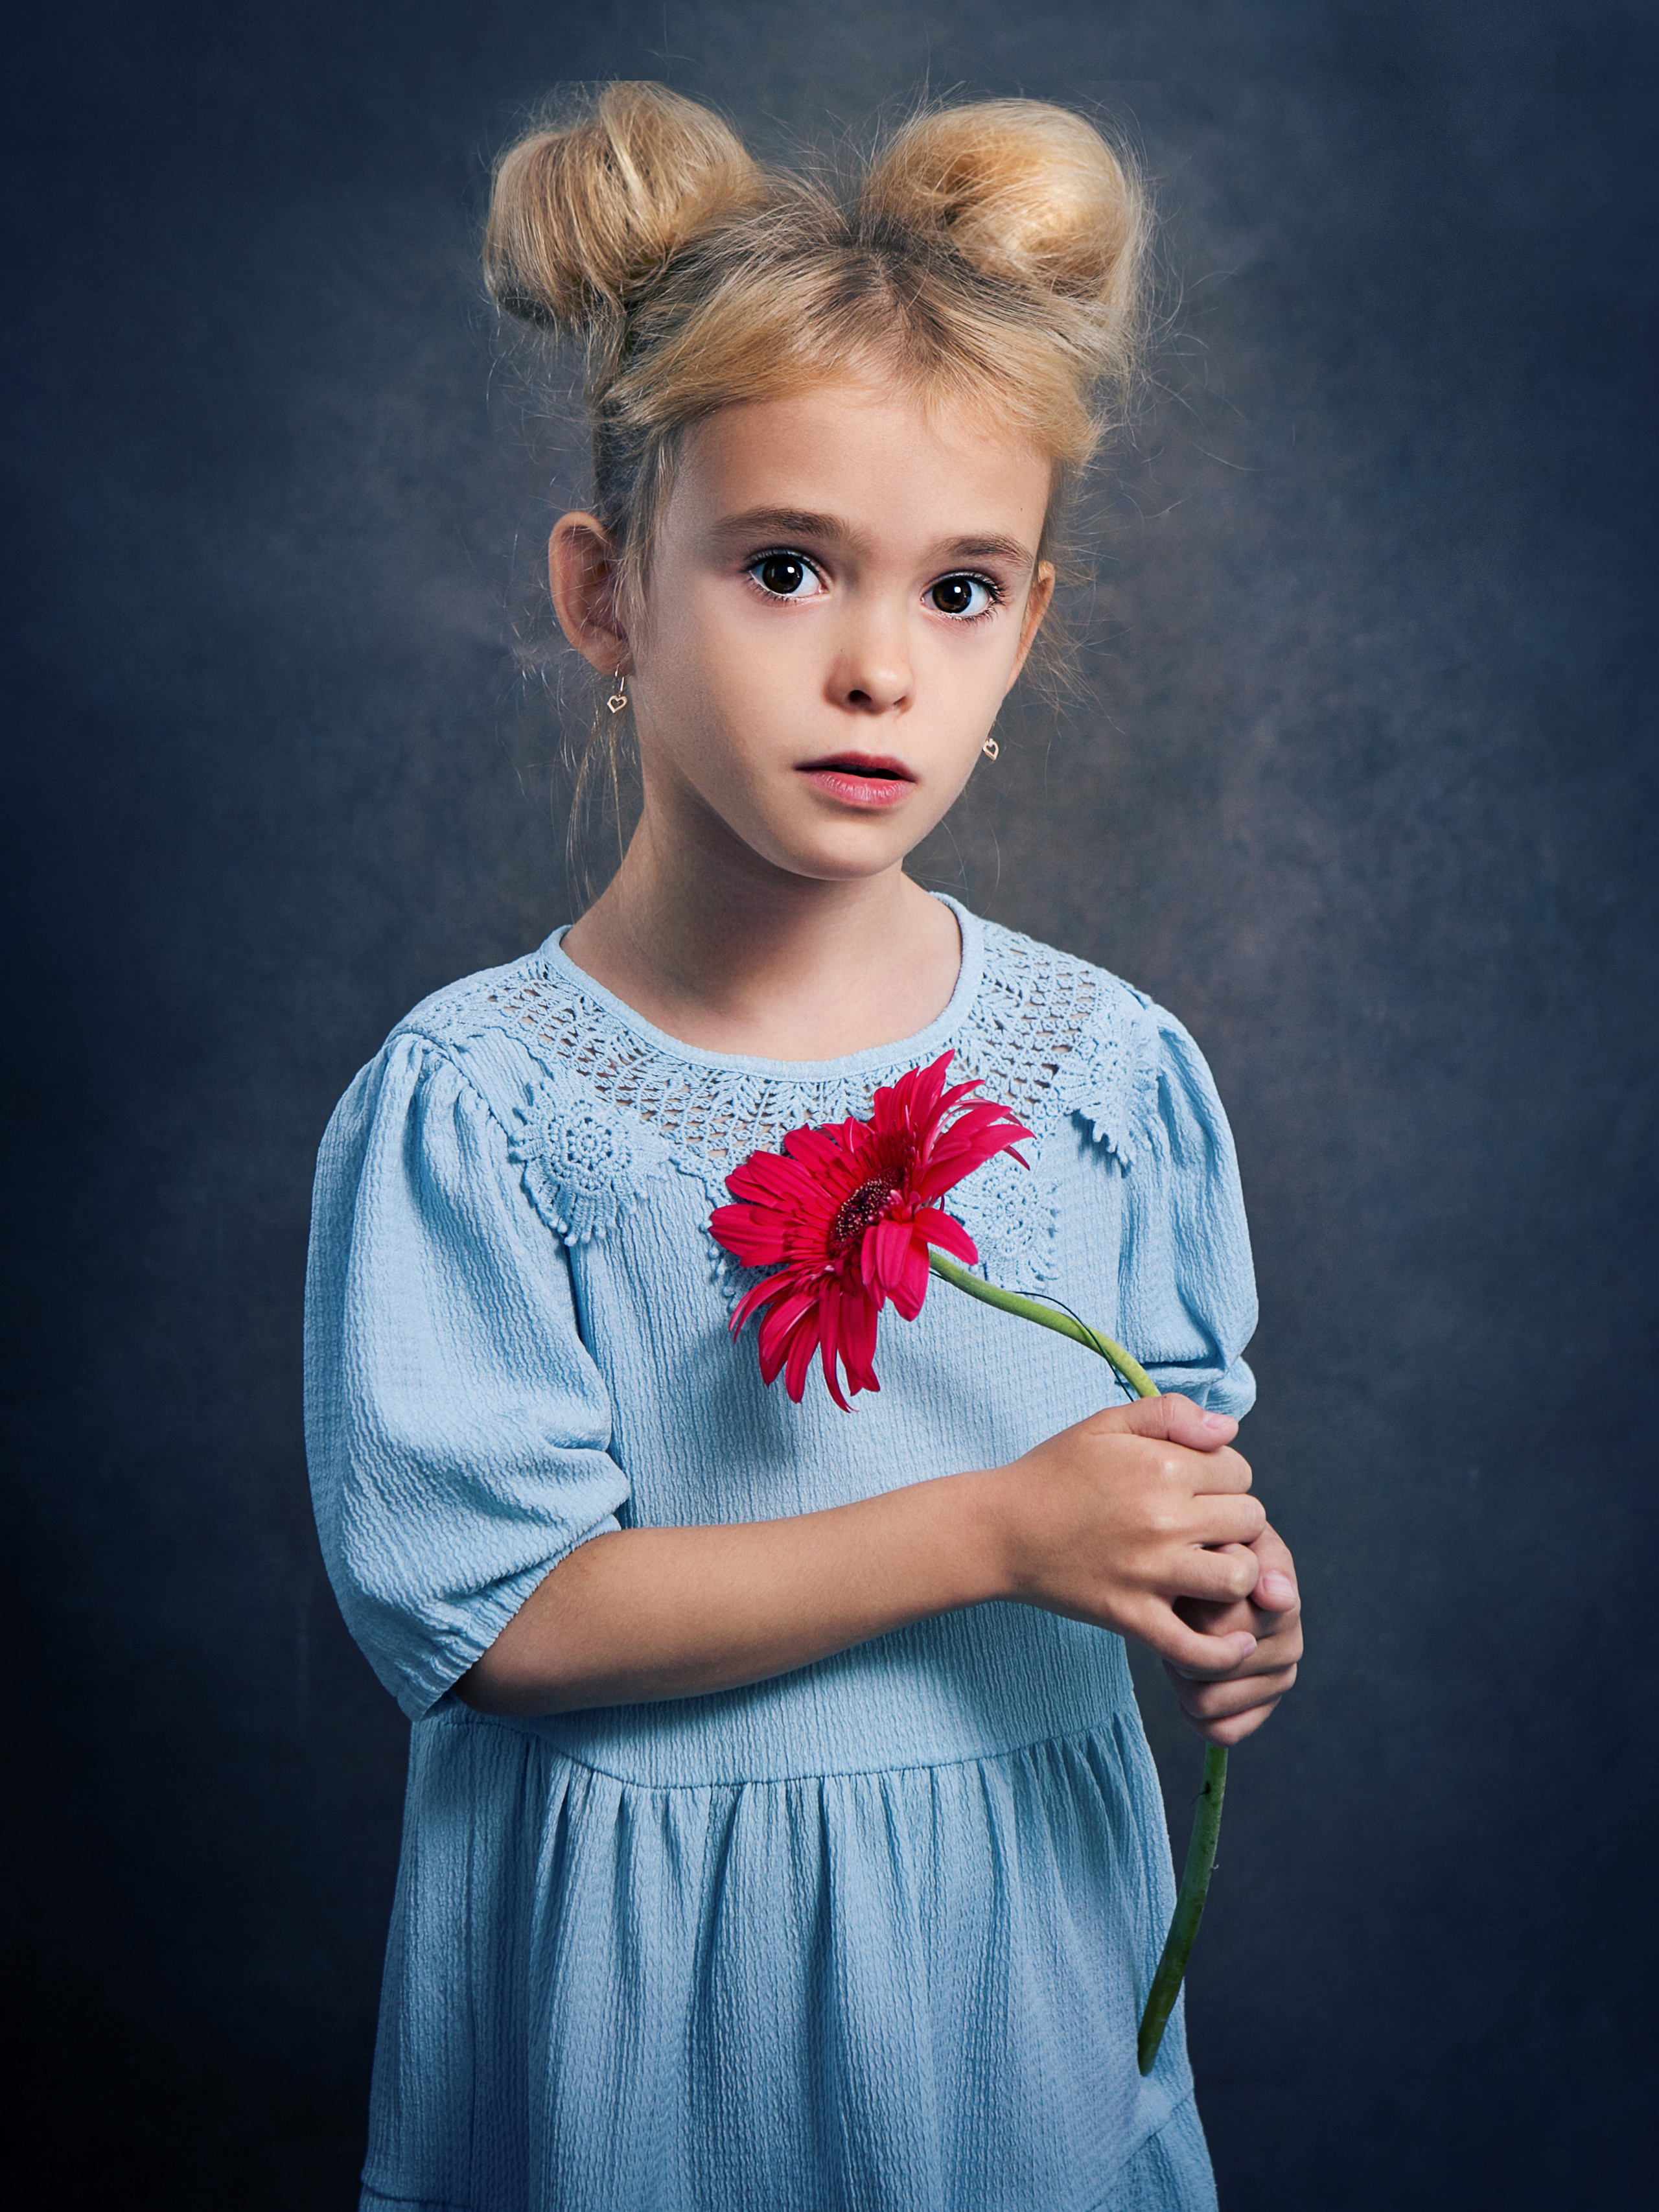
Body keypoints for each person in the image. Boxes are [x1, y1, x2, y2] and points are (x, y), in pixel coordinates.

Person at [305, 82, 1303, 2212]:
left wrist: (1213, 1580)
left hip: (1013, 1967)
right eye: (784, 567)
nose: (876, 667)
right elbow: (489, 1617)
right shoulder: (485, 1102)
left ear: (1029, 627)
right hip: (656, 2004)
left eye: (960, 591)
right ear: (609, 597)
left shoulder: (1103, 1071)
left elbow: (1151, 1467)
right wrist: (997, 1536)